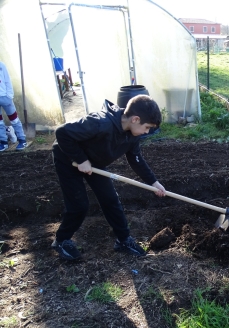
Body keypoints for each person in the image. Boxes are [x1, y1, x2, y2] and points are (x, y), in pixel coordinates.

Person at [51, 95, 166, 260]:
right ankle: (61, 240)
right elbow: (62, 133)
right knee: (79, 205)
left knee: (110, 199)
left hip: (94, 161)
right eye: (147, 127)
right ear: (135, 119)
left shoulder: (132, 135)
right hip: (68, 158)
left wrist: (154, 183)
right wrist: (81, 159)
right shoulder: (100, 123)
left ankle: (123, 240)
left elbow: (136, 159)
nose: (146, 132)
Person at [0, 61, 27, 151]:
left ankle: (22, 140)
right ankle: (3, 142)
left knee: (14, 119)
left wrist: (9, 96)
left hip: (5, 97)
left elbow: (7, 80)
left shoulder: (1, 65)